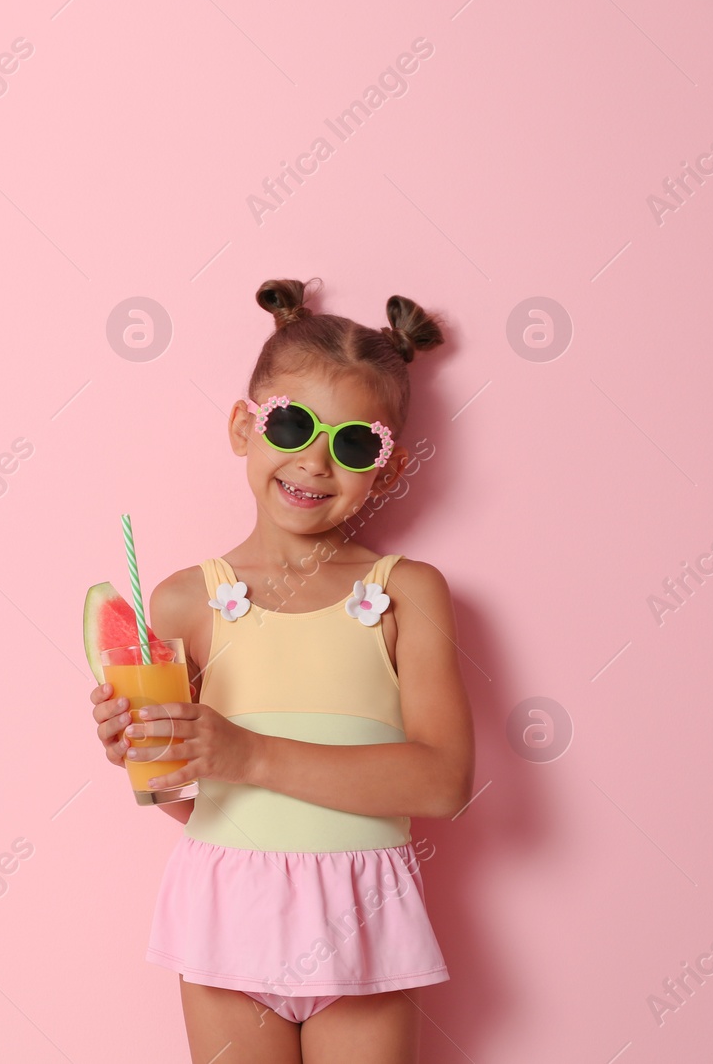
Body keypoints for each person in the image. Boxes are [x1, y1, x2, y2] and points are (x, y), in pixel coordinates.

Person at [89, 277, 475, 1063]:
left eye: (355, 443)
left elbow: (443, 782)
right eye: (292, 423)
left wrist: (250, 753)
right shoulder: (184, 601)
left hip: (363, 920)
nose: (314, 461)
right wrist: (141, 753)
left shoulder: (405, 593)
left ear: (390, 467)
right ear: (243, 426)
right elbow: (187, 795)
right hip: (227, 913)